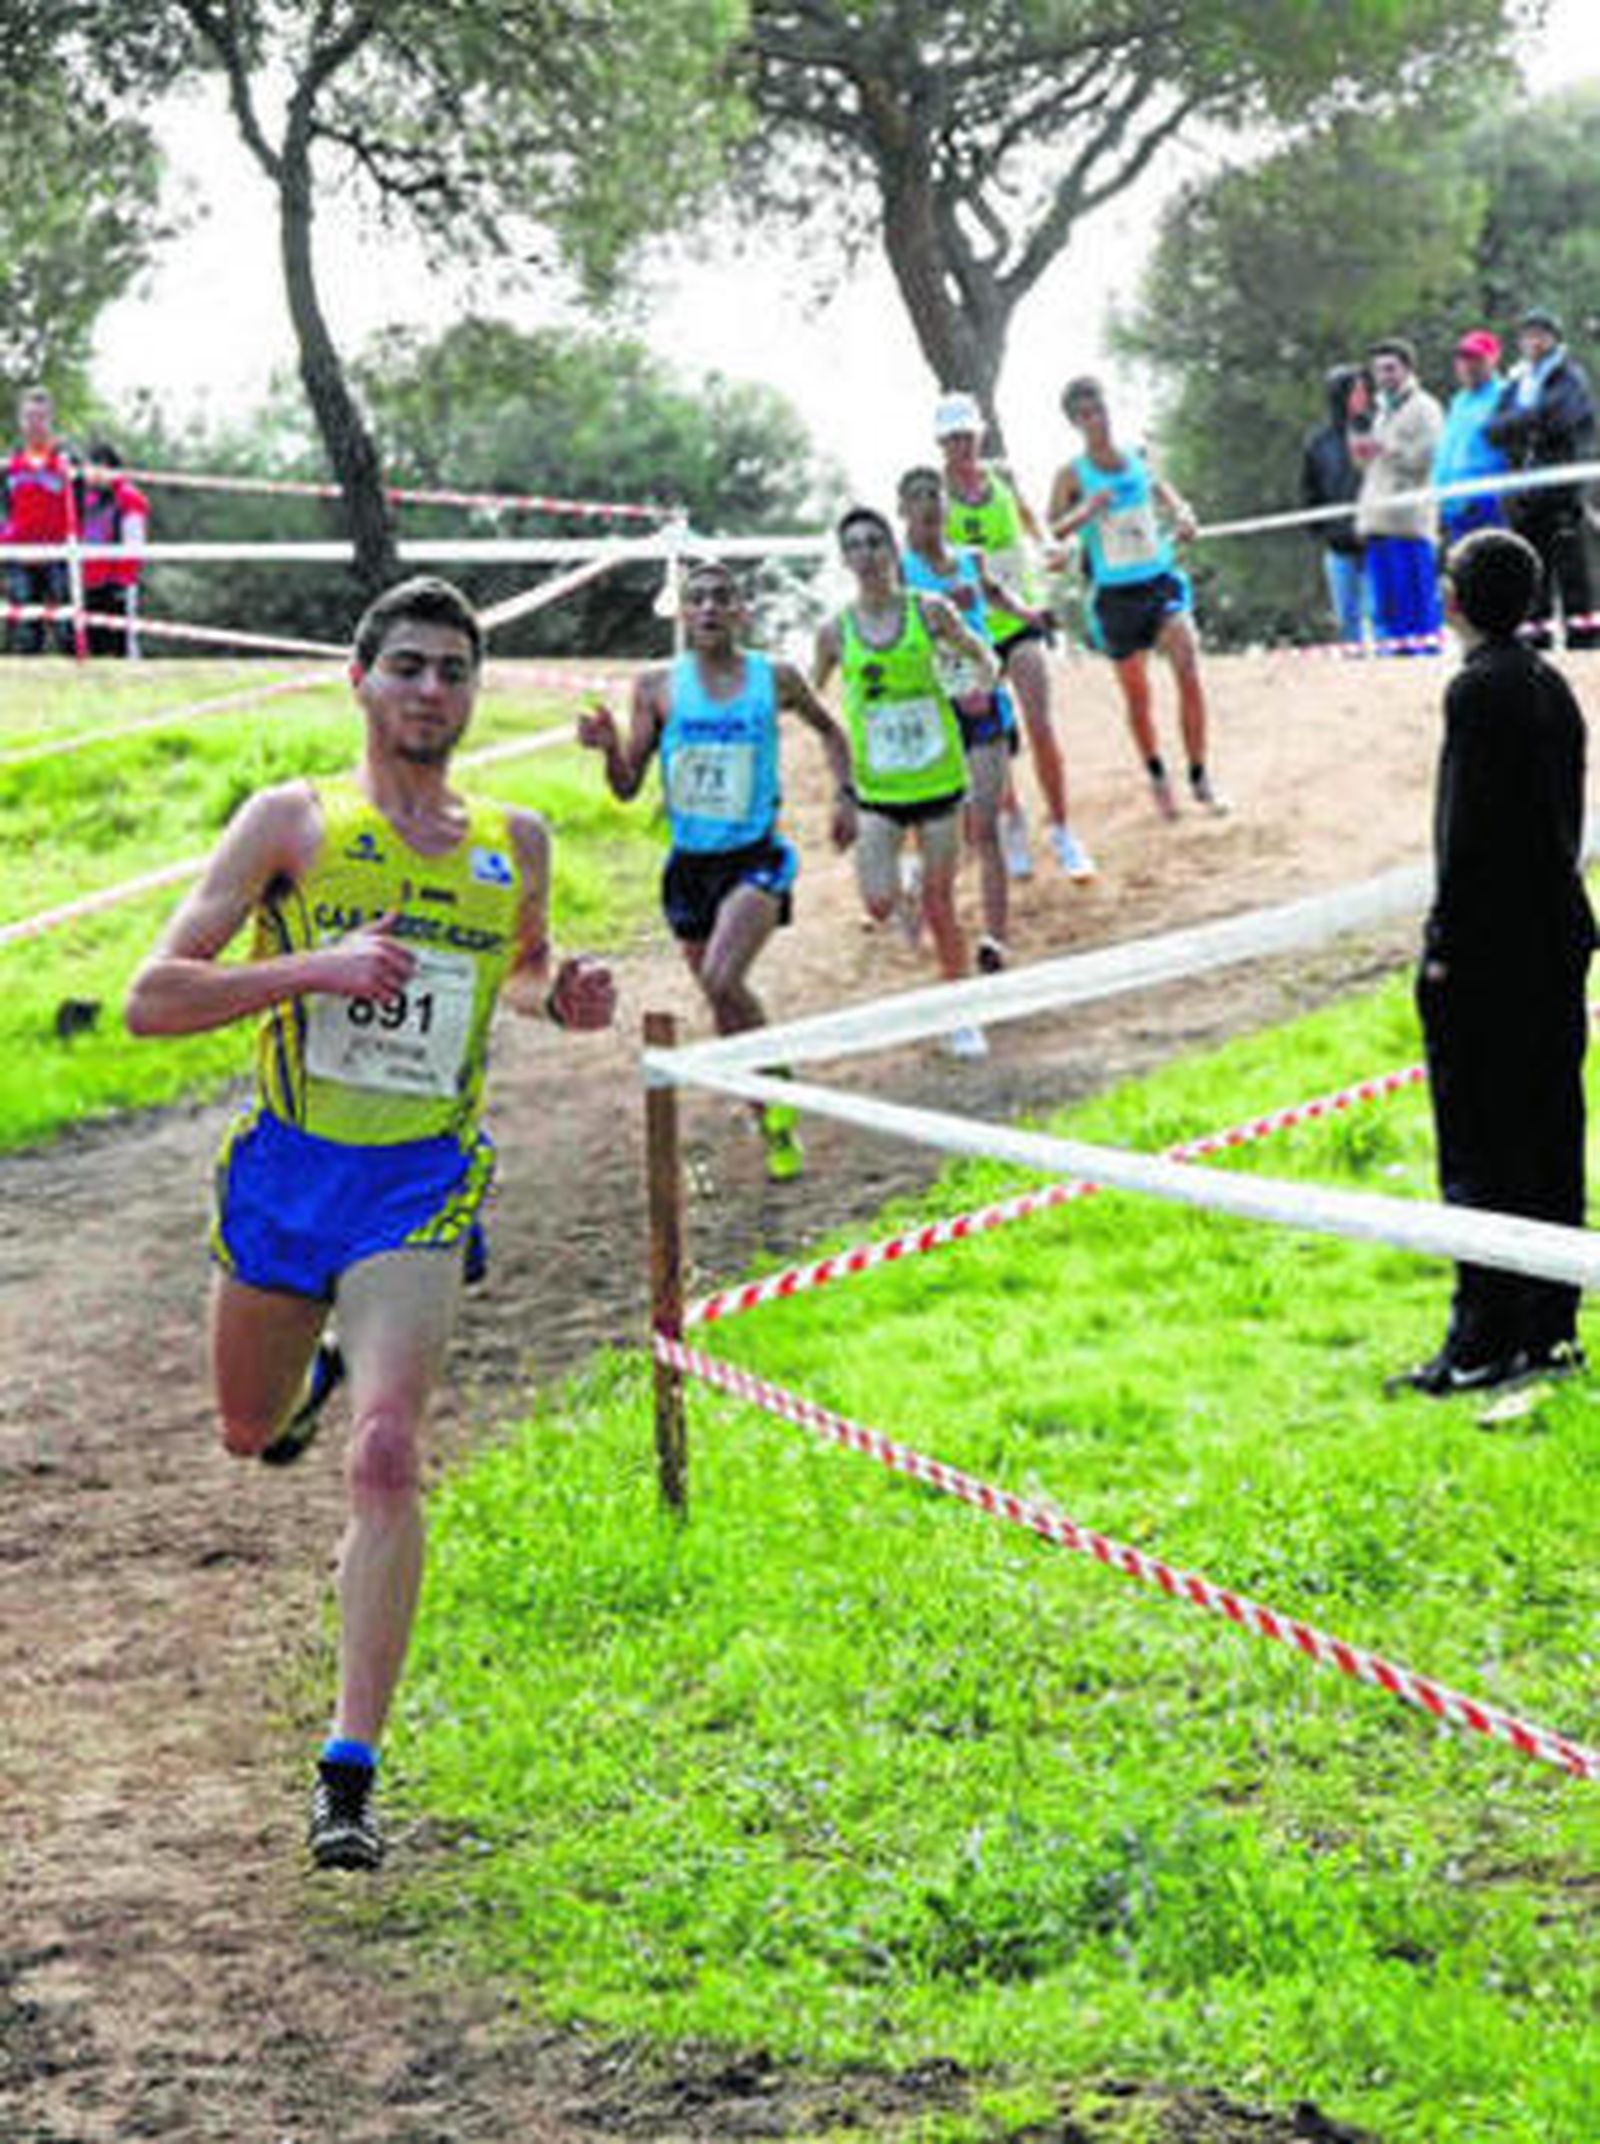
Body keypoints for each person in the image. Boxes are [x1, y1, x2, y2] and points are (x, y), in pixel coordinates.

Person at [124, 575, 616, 1871]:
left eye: (454, 670)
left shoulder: (514, 839)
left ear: (473, 691)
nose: (432, 692)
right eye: (408, 667)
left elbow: (514, 970)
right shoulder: (291, 822)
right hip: (288, 1176)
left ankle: (350, 1771)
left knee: (387, 1457)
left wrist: (556, 999)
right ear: (361, 681)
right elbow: (151, 999)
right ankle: (312, 1372)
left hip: (420, 1183)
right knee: (246, 1431)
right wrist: (317, 969)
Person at [1391, 528, 1593, 1397]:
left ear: (1458, 598)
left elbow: (1466, 837)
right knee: (1549, 1135)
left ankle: (1479, 1339)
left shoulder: (1476, 694)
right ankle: (1547, 1325)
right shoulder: (1555, 686)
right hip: (1555, 941)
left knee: (1478, 1144)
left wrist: (1441, 950)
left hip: (1488, 956)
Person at [576, 557, 854, 1180]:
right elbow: (627, 785)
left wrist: (846, 796)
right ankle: (772, 1112)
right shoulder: (656, 686)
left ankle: (777, 1102)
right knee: (720, 999)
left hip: (756, 858)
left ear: (739, 611)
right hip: (689, 869)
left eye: (720, 598)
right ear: (682, 612)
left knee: (724, 980)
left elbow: (831, 732)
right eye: (696, 598)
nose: (707, 608)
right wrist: (604, 750)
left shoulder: (774, 677)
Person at [813, 503, 999, 1058]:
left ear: (892, 550)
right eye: (856, 546)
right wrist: (838, 785)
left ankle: (960, 1015)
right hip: (878, 792)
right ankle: (906, 882)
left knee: (941, 906)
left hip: (939, 782)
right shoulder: (834, 631)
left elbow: (984, 659)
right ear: (845, 559)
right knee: (877, 903)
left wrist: (975, 687)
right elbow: (811, 702)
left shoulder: (930, 612)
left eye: (875, 542)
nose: (867, 554)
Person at [1047, 374, 1227, 820]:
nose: (1097, 420)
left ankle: (1200, 775)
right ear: (1075, 422)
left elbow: (1172, 499)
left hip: (1159, 579)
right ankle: (1157, 775)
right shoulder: (1071, 473)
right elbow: (1051, 528)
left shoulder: (1137, 458)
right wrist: (1085, 510)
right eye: (1086, 415)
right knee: (1138, 695)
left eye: (1100, 409)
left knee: (1187, 663)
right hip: (1115, 594)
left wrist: (1185, 517)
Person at [934, 391, 1096, 881]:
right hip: (970, 635)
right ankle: (1011, 819)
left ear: (980, 435)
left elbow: (1034, 526)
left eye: (969, 436)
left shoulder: (1001, 484)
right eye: (954, 439)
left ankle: (1063, 830)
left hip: (1018, 622)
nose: (963, 446)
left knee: (1040, 722)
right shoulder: (937, 500)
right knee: (994, 738)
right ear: (941, 443)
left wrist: (1050, 549)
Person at [897, 464, 1023, 974]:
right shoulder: (900, 574)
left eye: (935, 494)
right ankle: (917, 892)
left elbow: (998, 597)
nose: (929, 503)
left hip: (982, 698)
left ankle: (996, 938)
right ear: (903, 510)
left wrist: (1030, 615)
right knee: (937, 831)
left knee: (985, 825)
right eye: (918, 496)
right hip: (932, 710)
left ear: (947, 505)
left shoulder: (970, 559)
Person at [1485, 306, 1599, 649]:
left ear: (1554, 339)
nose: (1533, 341)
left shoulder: (1570, 377)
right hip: (1524, 493)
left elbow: (1564, 416)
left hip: (1563, 492)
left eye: (1540, 334)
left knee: (1572, 571)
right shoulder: (1516, 383)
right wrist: (1531, 418)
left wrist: (1520, 421)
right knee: (1531, 571)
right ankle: (1536, 643)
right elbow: (1492, 429)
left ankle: (1584, 642)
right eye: (1527, 334)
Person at [1351, 337, 1444, 653]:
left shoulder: (1425, 408)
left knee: (1417, 609)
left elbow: (1428, 458)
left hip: (1410, 525)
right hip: (1377, 521)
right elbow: (1370, 466)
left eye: (1390, 368)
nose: (1384, 376)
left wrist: (1386, 448)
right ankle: (1395, 670)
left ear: (1407, 369)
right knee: (1387, 610)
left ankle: (1425, 665)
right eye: (1378, 370)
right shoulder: (1380, 412)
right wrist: (1363, 450)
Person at [1300, 364, 1372, 646]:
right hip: (1338, 545)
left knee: (1379, 614)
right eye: (1357, 390)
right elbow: (1309, 490)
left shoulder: (1377, 427)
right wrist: (1321, 531)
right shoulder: (1318, 442)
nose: (1363, 396)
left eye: (1365, 390)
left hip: (1374, 539)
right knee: (1347, 619)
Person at [2, 387, 76, 655]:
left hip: (57, 551)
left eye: (40, 417)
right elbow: (4, 506)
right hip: (19, 552)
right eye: (29, 417)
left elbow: (80, 502)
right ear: (21, 421)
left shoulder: (66, 459)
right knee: (24, 625)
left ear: (50, 420)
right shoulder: (10, 462)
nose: (34, 424)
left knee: (65, 622)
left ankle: (74, 676)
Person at [1432, 331, 1508, 547]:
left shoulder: (1505, 395)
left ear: (1493, 359)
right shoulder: (1458, 401)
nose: (1467, 365)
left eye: (1476, 358)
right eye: (1462, 359)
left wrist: (1483, 498)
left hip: (1487, 508)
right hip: (1453, 509)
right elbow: (1446, 454)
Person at [80, 442, 150, 657]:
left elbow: (134, 545)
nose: (87, 474)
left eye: (91, 468)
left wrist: (123, 580)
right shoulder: (87, 499)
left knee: (122, 642)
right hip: (90, 580)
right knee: (94, 643)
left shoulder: (130, 498)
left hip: (117, 582)